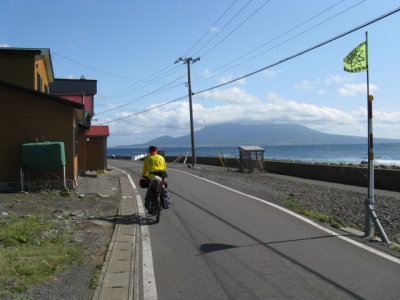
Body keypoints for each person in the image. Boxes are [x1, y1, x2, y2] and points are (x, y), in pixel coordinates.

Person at [142, 145, 170, 212]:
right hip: (161, 177)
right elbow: (164, 168)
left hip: (152, 177)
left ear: (149, 151)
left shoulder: (147, 158)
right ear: (156, 151)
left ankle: (149, 206)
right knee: (163, 189)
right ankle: (165, 203)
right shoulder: (161, 157)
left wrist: (144, 176)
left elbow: (145, 169)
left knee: (150, 191)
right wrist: (164, 177)